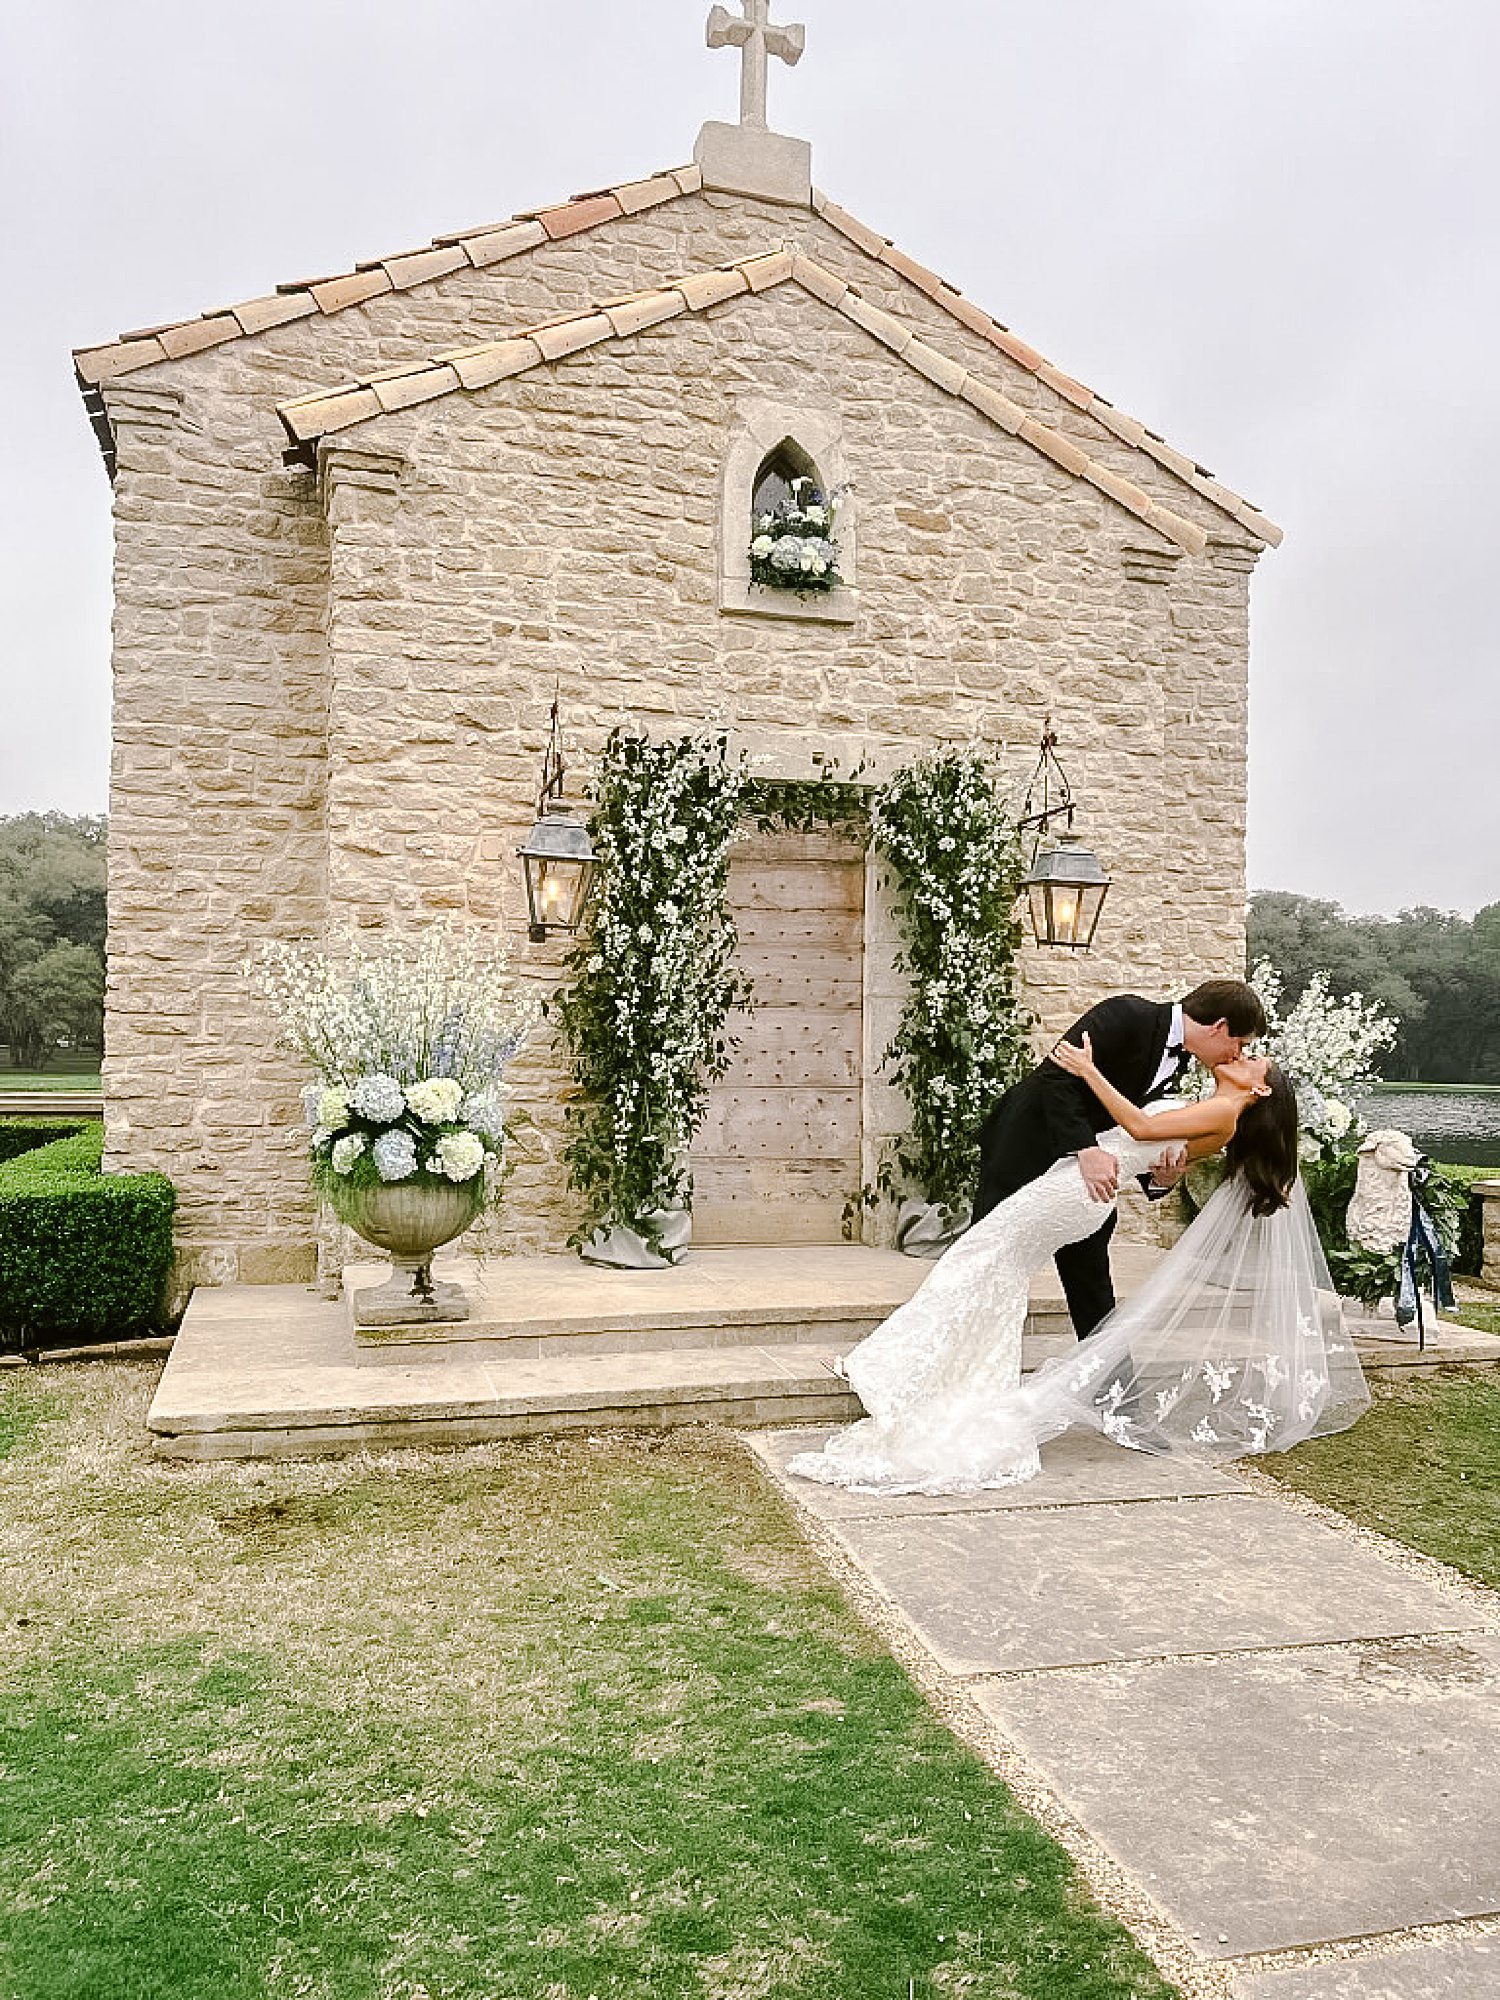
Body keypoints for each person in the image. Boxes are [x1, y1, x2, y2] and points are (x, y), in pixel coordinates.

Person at [789, 1029, 1369, 1496]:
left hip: (1075, 1193)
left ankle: (897, 1367)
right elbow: (1155, 1154)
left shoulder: (1222, 1115)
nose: (1244, 1055)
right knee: (987, 1269)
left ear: (1260, 1092)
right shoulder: (1212, 1109)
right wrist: (1165, 1170)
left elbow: (1139, 1128)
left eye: (1253, 1060)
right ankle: (934, 1369)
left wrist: (1089, 1071)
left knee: (975, 1259)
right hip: (1078, 1190)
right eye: (1243, 1047)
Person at [974, 980, 1269, 1341]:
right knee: (986, 1261)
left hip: (1088, 1186)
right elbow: (1056, 1077)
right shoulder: (1126, 1014)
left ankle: (1110, 1391)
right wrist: (1086, 1149)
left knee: (1092, 1283)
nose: (1236, 1054)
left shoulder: (1179, 1066)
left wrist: (1161, 1179)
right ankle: (964, 1362)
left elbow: (1135, 1130)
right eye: (1239, 1044)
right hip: (1023, 1151)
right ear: (1220, 1027)